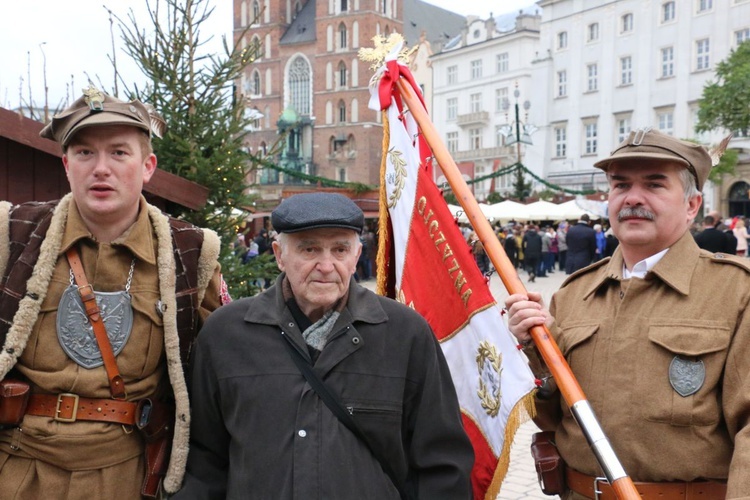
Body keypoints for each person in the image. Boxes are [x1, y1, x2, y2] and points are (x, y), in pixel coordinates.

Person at [0, 87, 225, 497]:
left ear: (147, 166)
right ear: (66, 165)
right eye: (85, 153)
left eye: (119, 153)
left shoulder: (191, 253)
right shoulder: (12, 234)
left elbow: (219, 373)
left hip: (125, 476)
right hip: (15, 472)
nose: (100, 168)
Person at [176, 192, 474, 499]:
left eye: (340, 249)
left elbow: (441, 465)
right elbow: (204, 463)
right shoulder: (227, 334)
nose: (326, 265)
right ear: (280, 255)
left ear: (357, 255)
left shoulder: (405, 334)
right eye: (310, 249)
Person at [505, 128, 744, 498]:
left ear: (692, 205)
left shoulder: (735, 291)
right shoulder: (574, 293)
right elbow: (551, 417)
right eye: (620, 185)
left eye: (654, 185)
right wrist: (537, 348)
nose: (633, 198)